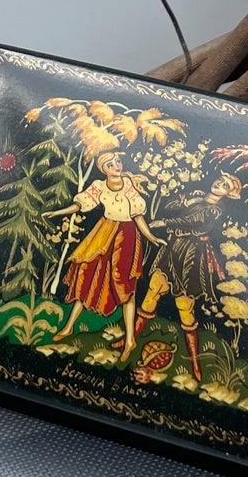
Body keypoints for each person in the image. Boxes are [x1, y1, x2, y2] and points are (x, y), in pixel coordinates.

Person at [46, 152, 161, 359]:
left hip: (126, 236)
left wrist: (151, 237)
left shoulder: (128, 184)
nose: (116, 166)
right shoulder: (99, 186)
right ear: (103, 169)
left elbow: (137, 216)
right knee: (87, 276)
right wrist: (59, 212)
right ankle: (69, 327)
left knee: (125, 286)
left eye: (117, 161)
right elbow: (80, 205)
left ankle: (130, 340)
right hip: (103, 233)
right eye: (110, 164)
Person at [137, 171, 242, 380]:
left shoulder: (214, 210)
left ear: (228, 194)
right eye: (220, 180)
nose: (219, 184)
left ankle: (195, 362)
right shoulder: (197, 195)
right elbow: (171, 205)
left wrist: (165, 223)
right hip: (172, 249)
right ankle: (129, 339)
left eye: (225, 186)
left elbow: (195, 221)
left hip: (190, 257)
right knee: (151, 293)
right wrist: (187, 199)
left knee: (184, 307)